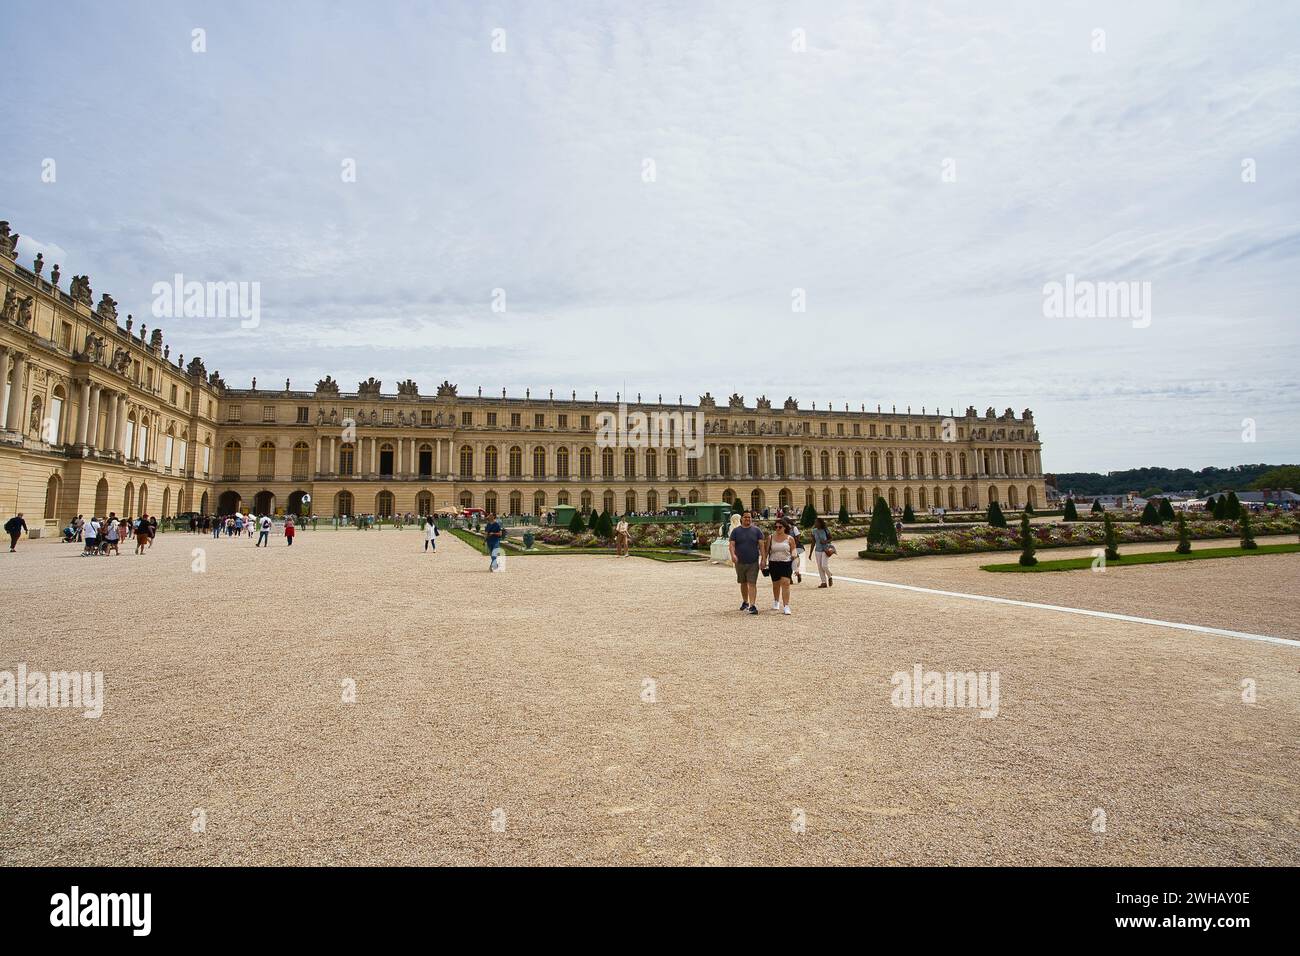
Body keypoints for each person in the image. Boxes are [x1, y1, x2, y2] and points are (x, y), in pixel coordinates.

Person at [728, 510, 765, 615]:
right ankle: (745, 601)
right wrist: (733, 555)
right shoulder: (736, 531)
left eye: (749, 517)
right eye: (745, 517)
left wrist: (763, 559)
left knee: (752, 583)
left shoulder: (757, 531)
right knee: (743, 582)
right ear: (741, 519)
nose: (747, 519)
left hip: (753, 561)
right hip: (740, 561)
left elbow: (762, 546)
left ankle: (752, 605)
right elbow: (731, 545)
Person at [766, 519, 795, 614]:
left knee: (786, 583)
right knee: (776, 584)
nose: (777, 528)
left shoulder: (790, 538)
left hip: (786, 563)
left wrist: (795, 559)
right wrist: (763, 561)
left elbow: (793, 551)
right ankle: (776, 601)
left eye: (780, 527)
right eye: (776, 527)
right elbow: (766, 552)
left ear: (784, 528)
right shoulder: (770, 537)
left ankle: (786, 606)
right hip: (773, 563)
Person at [813, 517, 834, 587]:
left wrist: (825, 541)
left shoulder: (825, 530)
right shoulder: (814, 531)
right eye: (815, 522)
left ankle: (829, 576)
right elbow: (813, 542)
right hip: (817, 550)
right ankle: (823, 582)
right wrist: (810, 553)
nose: (815, 523)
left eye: (816, 522)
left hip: (825, 549)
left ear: (820, 523)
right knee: (819, 567)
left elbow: (831, 538)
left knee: (824, 565)